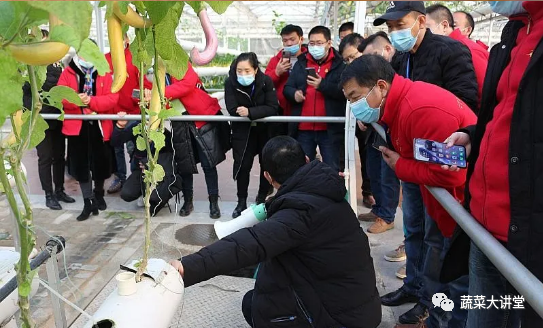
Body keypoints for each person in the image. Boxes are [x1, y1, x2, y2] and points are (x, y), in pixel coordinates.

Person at [170, 136, 382, 328]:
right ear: (307, 160)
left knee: (256, 306)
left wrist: (187, 267)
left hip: (342, 321)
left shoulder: (299, 212)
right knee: (262, 287)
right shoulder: (327, 190)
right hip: (361, 309)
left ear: (268, 177)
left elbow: (249, 244)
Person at [341, 55, 477, 328]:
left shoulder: (421, 109)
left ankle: (443, 319)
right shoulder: (399, 107)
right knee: (436, 261)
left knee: (459, 281)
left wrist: (402, 166)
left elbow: (453, 173)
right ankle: (431, 310)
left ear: (381, 86)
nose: (354, 106)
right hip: (443, 207)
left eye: (356, 97)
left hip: (464, 211)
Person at [373, 2, 478, 324]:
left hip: (441, 162)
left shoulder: (450, 51)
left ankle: (434, 302)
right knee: (415, 229)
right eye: (390, 28)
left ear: (421, 20)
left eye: (399, 24)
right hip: (410, 158)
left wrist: (431, 122)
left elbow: (466, 100)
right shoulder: (402, 58)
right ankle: (415, 287)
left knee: (439, 238)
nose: (395, 32)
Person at [442, 2, 543, 327]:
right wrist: (476, 135)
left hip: (529, 231)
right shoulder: (515, 31)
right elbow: (506, 111)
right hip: (486, 221)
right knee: (483, 316)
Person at [58, 43, 118, 221]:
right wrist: (77, 100)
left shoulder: (104, 72)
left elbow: (112, 98)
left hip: (99, 125)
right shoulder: (68, 72)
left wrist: (91, 101)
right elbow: (60, 96)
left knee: (101, 162)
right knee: (81, 164)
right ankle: (88, 201)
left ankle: (99, 194)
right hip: (77, 126)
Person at [165, 63, 230, 219]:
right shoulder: (159, 72)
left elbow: (187, 84)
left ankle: (213, 202)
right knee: (185, 165)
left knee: (209, 164)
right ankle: (188, 201)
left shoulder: (181, 64)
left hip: (200, 119)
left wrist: (161, 93)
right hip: (179, 122)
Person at [22, 29, 75, 210]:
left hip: (57, 117)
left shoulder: (57, 65)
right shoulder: (29, 67)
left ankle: (60, 190)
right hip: (40, 119)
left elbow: (62, 88)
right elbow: (27, 96)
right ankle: (49, 194)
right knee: (45, 157)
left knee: (59, 156)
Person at [284, 25, 346, 173]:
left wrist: (322, 85)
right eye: (312, 43)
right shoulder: (301, 63)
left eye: (319, 43)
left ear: (329, 43)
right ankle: (305, 195)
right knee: (302, 169)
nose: (315, 47)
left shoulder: (340, 65)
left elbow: (345, 91)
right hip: (304, 128)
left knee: (333, 169)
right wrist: (295, 95)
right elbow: (288, 88)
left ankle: (333, 195)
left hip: (329, 128)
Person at [225, 52, 278, 218]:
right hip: (243, 132)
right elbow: (232, 107)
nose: (243, 74)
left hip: (264, 130)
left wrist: (250, 111)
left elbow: (272, 107)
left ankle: (261, 200)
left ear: (255, 69)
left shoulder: (265, 81)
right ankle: (241, 202)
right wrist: (246, 112)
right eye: (239, 71)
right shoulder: (230, 83)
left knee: (266, 165)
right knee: (242, 166)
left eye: (247, 70)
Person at [112, 113, 183, 216]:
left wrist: (148, 163)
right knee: (126, 194)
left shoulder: (164, 134)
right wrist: (120, 126)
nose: (148, 122)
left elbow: (169, 160)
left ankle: (163, 195)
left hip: (160, 173)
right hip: (141, 171)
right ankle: (145, 193)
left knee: (155, 200)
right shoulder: (137, 127)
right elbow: (115, 141)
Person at [338, 33, 378, 212]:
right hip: (354, 121)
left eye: (353, 56)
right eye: (347, 59)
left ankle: (380, 206)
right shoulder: (348, 72)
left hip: (373, 125)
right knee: (357, 159)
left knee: (375, 165)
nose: (350, 61)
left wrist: (368, 119)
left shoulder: (375, 70)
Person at [426, 4, 489, 106]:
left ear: (445, 25)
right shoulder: (440, 49)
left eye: (426, 28)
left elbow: (484, 90)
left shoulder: (468, 50)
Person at [104, 34, 143, 195]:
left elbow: (144, 84)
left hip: (132, 113)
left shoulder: (135, 59)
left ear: (127, 40)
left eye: (121, 38)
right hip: (112, 112)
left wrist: (141, 97)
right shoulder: (105, 60)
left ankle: (135, 179)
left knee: (133, 147)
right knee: (116, 148)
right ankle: (120, 177)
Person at [265, 24, 305, 120]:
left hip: (303, 108)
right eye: (285, 40)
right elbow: (264, 83)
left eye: (292, 39)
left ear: (301, 39)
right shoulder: (276, 60)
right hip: (281, 110)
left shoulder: (308, 59)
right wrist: (276, 73)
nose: (289, 43)